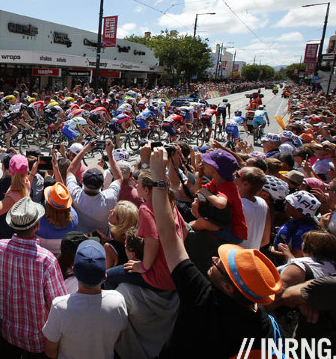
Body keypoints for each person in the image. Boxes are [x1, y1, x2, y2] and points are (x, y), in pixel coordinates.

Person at [148, 148, 282, 359]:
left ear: (228, 287)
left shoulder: (202, 298)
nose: (213, 258)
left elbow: (168, 235)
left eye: (220, 264)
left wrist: (157, 179)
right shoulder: (264, 326)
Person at [0, 197, 67, 357]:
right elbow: (58, 303)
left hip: (7, 332)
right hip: (38, 340)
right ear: (37, 226)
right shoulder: (47, 260)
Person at [42, 240, 127, 359]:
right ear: (105, 276)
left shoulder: (59, 306)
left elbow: (50, 351)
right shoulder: (118, 301)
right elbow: (117, 338)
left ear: (73, 270)